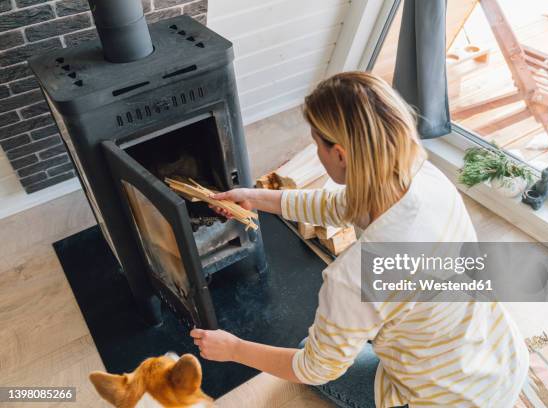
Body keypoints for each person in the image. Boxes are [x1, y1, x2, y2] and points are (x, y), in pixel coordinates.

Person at [190, 72, 529, 407]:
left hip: (447, 401)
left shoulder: (356, 275)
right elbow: (342, 205)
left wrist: (233, 349)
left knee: (311, 349)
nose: (317, 152)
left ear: (340, 154)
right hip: (502, 358)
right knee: (342, 333)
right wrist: (255, 198)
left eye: (316, 144)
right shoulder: (426, 177)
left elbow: (315, 369)